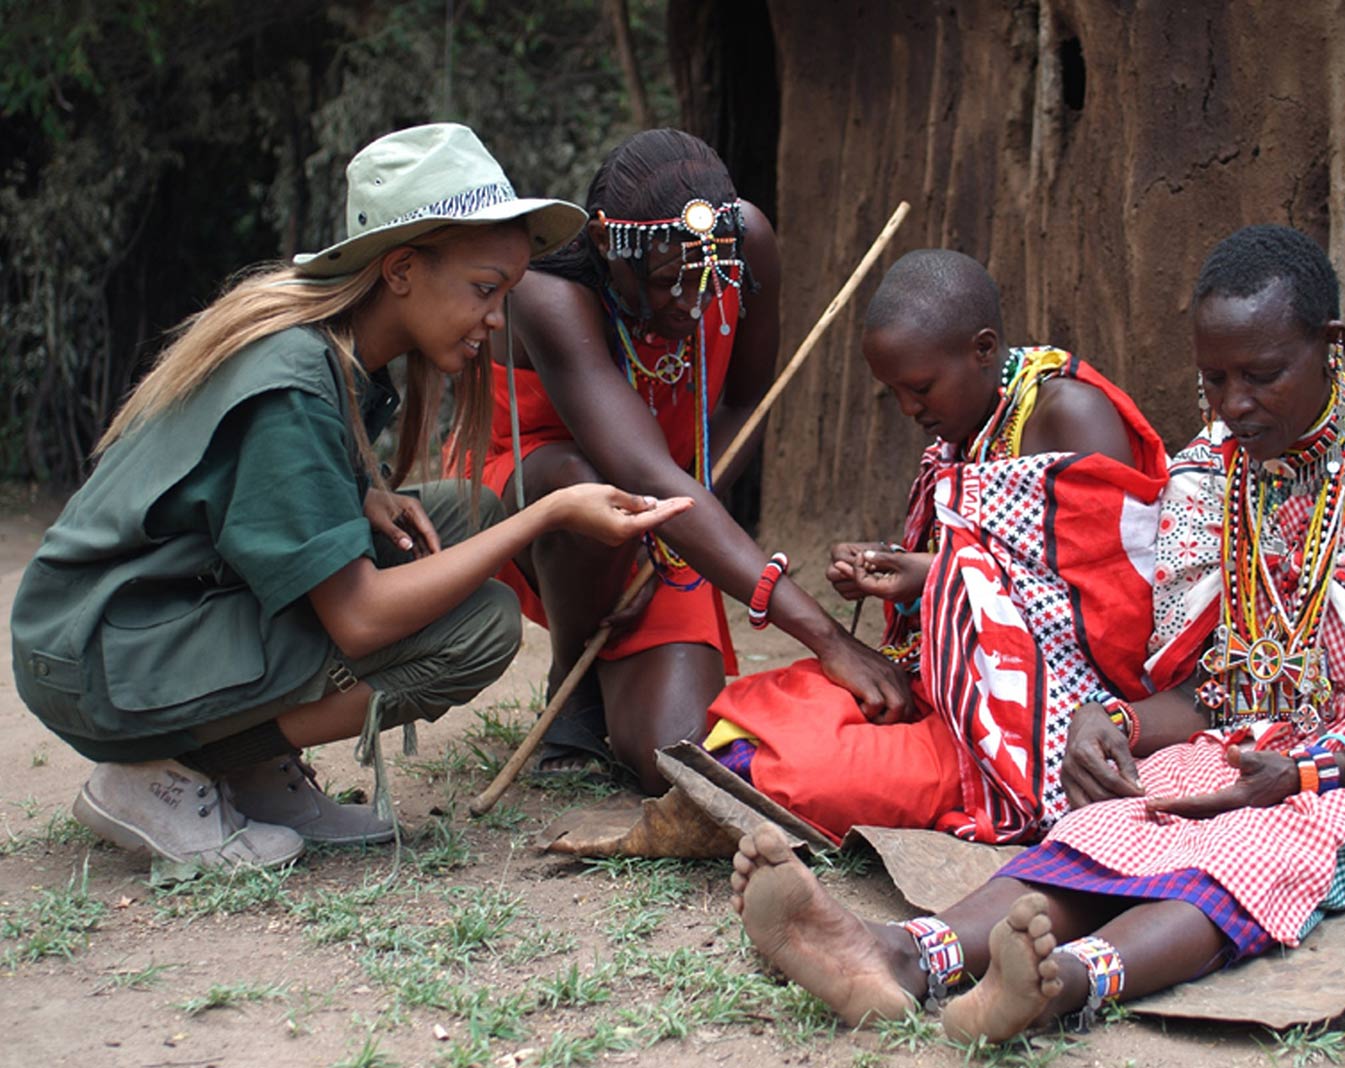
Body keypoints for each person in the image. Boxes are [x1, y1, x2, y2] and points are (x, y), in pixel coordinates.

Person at [729, 224, 1345, 1039]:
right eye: (1213, 382)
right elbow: (1214, 692)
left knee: (1266, 838)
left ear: (1331, 345)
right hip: (1258, 747)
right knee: (1117, 815)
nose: (1235, 405)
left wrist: (1308, 771)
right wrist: (1119, 720)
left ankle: (1064, 983)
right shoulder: (1210, 477)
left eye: (1261, 375)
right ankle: (903, 954)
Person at [10, 122, 692, 872]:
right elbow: (361, 620)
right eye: (484, 290)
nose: (497, 320)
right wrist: (552, 512)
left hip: (147, 615)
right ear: (400, 270)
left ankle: (245, 768)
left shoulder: (334, 355)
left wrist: (362, 489)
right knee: (479, 628)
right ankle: (167, 776)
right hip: (101, 650)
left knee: (465, 516)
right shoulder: (294, 378)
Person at [467, 128, 907, 793]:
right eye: (670, 282)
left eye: (710, 281)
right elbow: (639, 476)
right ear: (604, 246)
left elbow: (744, 401)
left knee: (677, 761)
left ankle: (621, 676)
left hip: (670, 500)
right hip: (543, 495)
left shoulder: (745, 238)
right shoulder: (548, 292)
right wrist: (829, 638)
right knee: (589, 488)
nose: (694, 303)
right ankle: (573, 673)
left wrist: (682, 522)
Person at [702, 249, 1167, 844]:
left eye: (919, 387)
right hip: (949, 686)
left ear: (982, 349)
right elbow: (986, 556)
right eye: (892, 391)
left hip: (1035, 721)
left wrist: (935, 574)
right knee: (764, 705)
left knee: (802, 773)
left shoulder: (1069, 414)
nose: (908, 409)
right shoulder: (972, 425)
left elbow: (1116, 610)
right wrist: (896, 568)